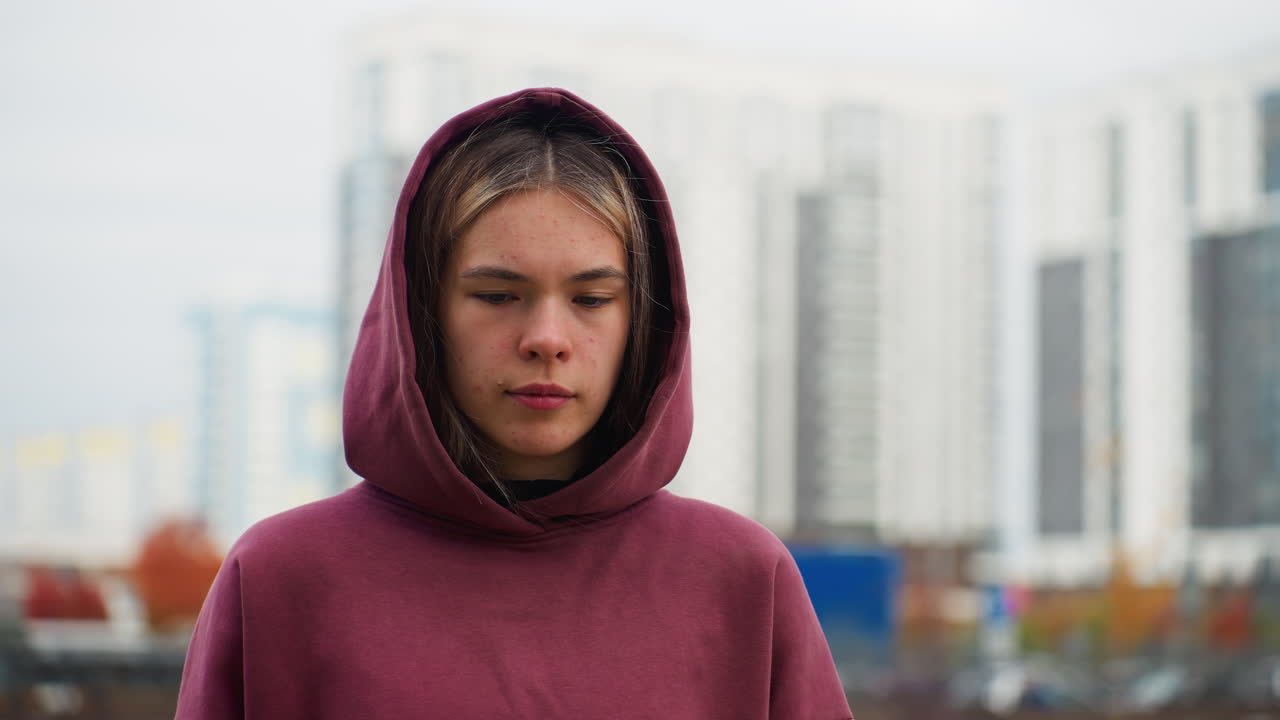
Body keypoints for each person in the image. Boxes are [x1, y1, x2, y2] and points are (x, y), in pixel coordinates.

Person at [174, 87, 852, 719]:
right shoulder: (279, 577)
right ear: (421, 312)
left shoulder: (741, 579)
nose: (547, 339)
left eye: (591, 299)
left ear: (641, 321)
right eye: (497, 295)